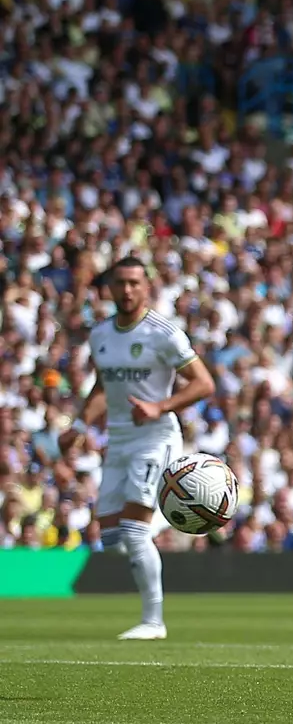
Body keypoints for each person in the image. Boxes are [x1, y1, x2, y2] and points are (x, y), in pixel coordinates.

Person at [62, 258, 216, 639]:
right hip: (117, 442)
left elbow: (204, 384)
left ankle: (153, 621)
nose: (127, 290)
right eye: (120, 283)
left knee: (133, 531)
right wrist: (81, 425)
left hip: (155, 436)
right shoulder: (101, 335)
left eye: (134, 282)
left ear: (147, 286)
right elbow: (104, 387)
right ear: (110, 288)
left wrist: (159, 406)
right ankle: (166, 512)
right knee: (112, 539)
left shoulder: (163, 333)